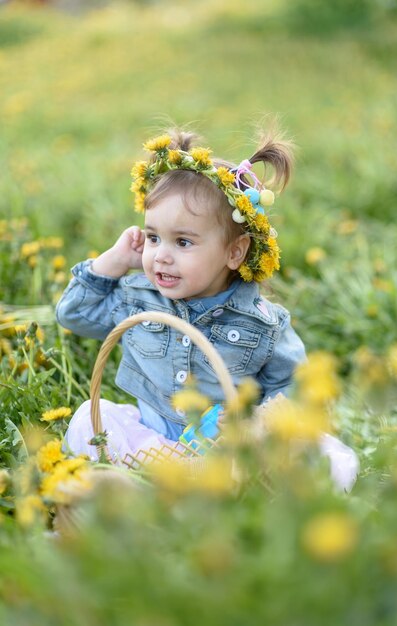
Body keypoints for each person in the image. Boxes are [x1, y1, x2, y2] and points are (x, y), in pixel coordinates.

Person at [56, 127, 358, 490]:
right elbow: (73, 314)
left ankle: (188, 488)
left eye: (183, 241)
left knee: (332, 458)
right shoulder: (137, 297)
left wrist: (257, 428)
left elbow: (294, 386)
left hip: (229, 452)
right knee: (89, 423)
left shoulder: (263, 324)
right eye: (153, 238)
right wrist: (113, 261)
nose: (161, 255)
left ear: (235, 252)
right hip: (153, 442)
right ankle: (150, 484)